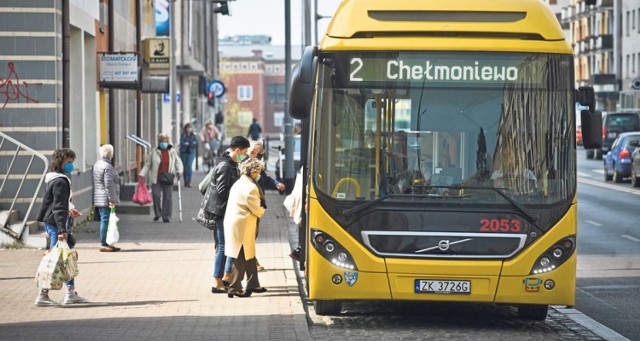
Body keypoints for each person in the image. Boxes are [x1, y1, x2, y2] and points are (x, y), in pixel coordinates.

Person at [34, 148, 88, 306]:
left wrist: (69, 209)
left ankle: (70, 292)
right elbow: (57, 207)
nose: (71, 165)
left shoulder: (55, 179)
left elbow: (58, 202)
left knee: (66, 258)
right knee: (55, 260)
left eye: (72, 162)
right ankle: (42, 294)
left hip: (57, 221)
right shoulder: (60, 181)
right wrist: (62, 231)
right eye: (69, 162)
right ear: (60, 163)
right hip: (57, 224)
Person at [201, 136, 250, 293]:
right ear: (236, 150)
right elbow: (222, 191)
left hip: (226, 210)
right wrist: (238, 194)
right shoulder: (225, 166)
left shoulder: (231, 164)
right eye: (244, 152)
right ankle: (217, 281)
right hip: (221, 211)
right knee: (224, 246)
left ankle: (226, 277)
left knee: (229, 245)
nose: (245, 155)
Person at [224, 158, 267, 297]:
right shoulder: (251, 187)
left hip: (237, 223)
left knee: (249, 254)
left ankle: (253, 283)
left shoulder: (239, 183)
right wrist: (262, 210)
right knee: (241, 256)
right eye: (259, 171)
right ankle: (234, 287)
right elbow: (257, 208)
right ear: (253, 172)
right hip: (243, 225)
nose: (260, 174)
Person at [247, 140, 285, 271]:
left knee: (252, 236)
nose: (258, 154)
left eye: (261, 152)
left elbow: (264, 179)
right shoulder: (245, 164)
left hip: (256, 206)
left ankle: (251, 262)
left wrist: (275, 183)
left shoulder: (256, 165)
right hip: (248, 207)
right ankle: (252, 263)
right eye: (255, 151)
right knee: (249, 236)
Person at [139, 133, 183, 223]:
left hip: (168, 177)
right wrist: (142, 173)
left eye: (165, 141)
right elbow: (148, 164)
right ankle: (158, 214)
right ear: (159, 142)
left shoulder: (172, 151)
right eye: (162, 141)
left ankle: (166, 216)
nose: (164, 143)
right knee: (156, 195)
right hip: (157, 177)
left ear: (168, 141)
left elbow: (178, 162)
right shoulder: (154, 151)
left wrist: (179, 171)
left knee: (167, 197)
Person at [93, 144, 121, 252]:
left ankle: (108, 242)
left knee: (105, 220)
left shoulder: (97, 164)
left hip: (99, 197)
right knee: (106, 221)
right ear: (111, 154)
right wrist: (112, 200)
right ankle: (104, 244)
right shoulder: (107, 167)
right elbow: (108, 185)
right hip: (105, 198)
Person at [179, 123, 198, 187]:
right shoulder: (183, 135)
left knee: (189, 166)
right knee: (184, 167)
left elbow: (195, 144)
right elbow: (181, 143)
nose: (189, 129)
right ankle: (185, 181)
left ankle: (189, 181)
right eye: (188, 128)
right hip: (183, 152)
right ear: (185, 128)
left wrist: (188, 143)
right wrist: (190, 143)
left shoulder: (193, 136)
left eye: (190, 128)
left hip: (191, 152)